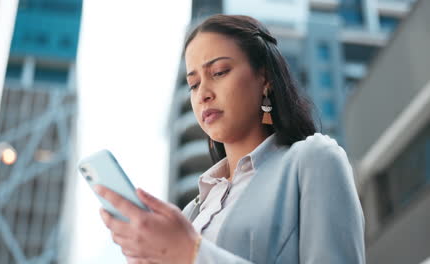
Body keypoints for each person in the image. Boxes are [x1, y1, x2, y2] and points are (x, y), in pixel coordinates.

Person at [94, 14, 366, 264]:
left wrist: (190, 253)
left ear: (265, 78)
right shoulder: (193, 211)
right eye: (194, 83)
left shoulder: (314, 160)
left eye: (220, 72)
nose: (203, 94)